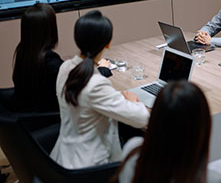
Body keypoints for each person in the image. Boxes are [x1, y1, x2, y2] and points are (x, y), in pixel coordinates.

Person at [50, 10, 149, 169]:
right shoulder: (95, 83)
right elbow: (141, 118)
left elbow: (88, 99)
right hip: (91, 166)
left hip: (65, 155)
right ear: (108, 43)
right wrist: (132, 101)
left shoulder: (66, 67)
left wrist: (116, 96)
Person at [9, 3, 111, 112]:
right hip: (47, 117)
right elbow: (81, 85)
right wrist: (103, 69)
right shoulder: (49, 61)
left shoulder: (23, 52)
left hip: (26, 112)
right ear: (51, 29)